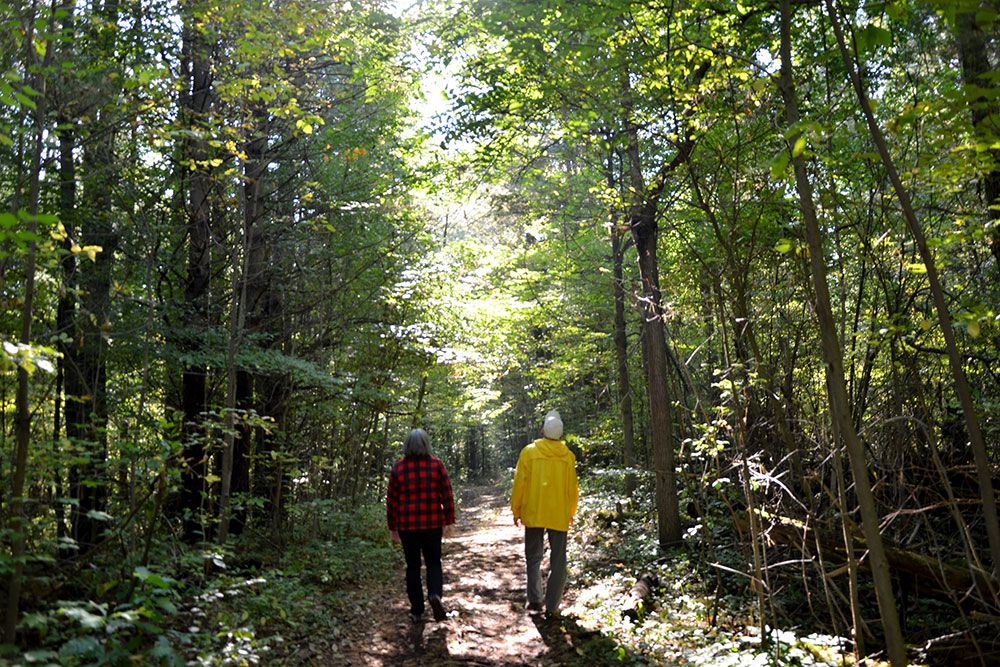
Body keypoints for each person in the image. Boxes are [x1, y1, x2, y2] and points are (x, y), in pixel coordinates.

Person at [511, 409, 579, 618]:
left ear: (543, 430)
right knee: (559, 560)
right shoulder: (567, 456)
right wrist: (571, 511)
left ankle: (534, 600)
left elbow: (519, 483)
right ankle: (552, 606)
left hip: (534, 510)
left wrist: (517, 509)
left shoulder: (529, 452)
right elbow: (572, 489)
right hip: (558, 513)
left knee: (533, 556)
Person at [386, 428, 456, 623]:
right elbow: (447, 494)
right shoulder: (436, 465)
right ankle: (435, 595)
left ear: (406, 446)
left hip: (407, 527)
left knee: (413, 566)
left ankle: (417, 610)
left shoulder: (398, 468)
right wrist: (449, 521)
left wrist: (393, 527)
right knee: (434, 562)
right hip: (432, 524)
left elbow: (392, 501)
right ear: (426, 444)